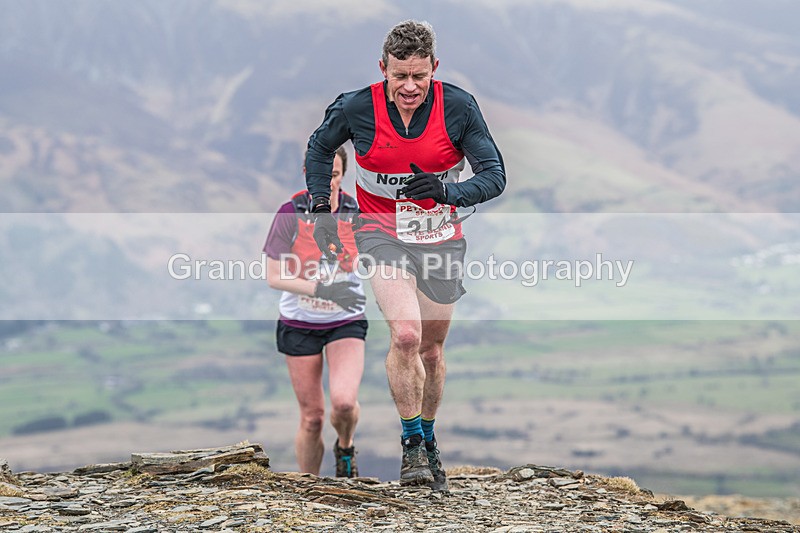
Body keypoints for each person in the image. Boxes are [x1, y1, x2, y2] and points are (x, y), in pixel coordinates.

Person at [304, 20, 505, 491]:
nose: (410, 87)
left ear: (434, 68)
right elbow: (319, 148)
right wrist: (321, 210)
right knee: (408, 336)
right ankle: (411, 444)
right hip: (380, 236)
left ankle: (429, 439)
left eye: (419, 75)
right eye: (400, 76)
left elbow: (495, 176)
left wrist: (448, 191)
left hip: (440, 239)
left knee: (433, 351)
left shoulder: (458, 107)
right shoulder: (356, 107)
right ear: (383, 69)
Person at [264, 146, 367, 478]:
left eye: (334, 175)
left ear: (342, 175)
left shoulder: (357, 212)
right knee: (312, 417)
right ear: (307, 174)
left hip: (345, 320)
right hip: (299, 322)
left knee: (344, 403)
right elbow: (274, 276)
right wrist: (324, 289)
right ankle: (308, 490)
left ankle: (346, 446)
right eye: (319, 175)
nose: (327, 182)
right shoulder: (289, 213)